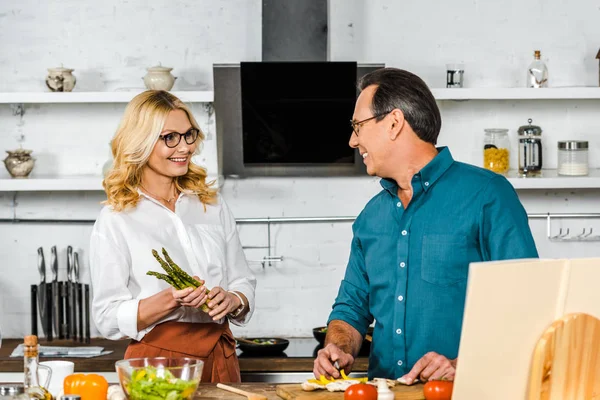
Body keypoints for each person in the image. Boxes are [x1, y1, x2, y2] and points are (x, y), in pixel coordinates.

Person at [313, 68, 538, 383]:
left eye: (358, 126)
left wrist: (461, 364)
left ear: (394, 122)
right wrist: (337, 347)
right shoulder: (370, 218)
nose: (353, 140)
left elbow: (529, 304)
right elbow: (350, 310)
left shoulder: (487, 195)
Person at [90, 90, 256, 383]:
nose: (185, 147)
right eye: (170, 137)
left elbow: (243, 280)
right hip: (155, 366)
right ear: (140, 142)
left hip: (221, 358)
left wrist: (233, 299)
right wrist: (169, 300)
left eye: (189, 135)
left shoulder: (211, 204)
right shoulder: (116, 218)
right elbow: (106, 317)